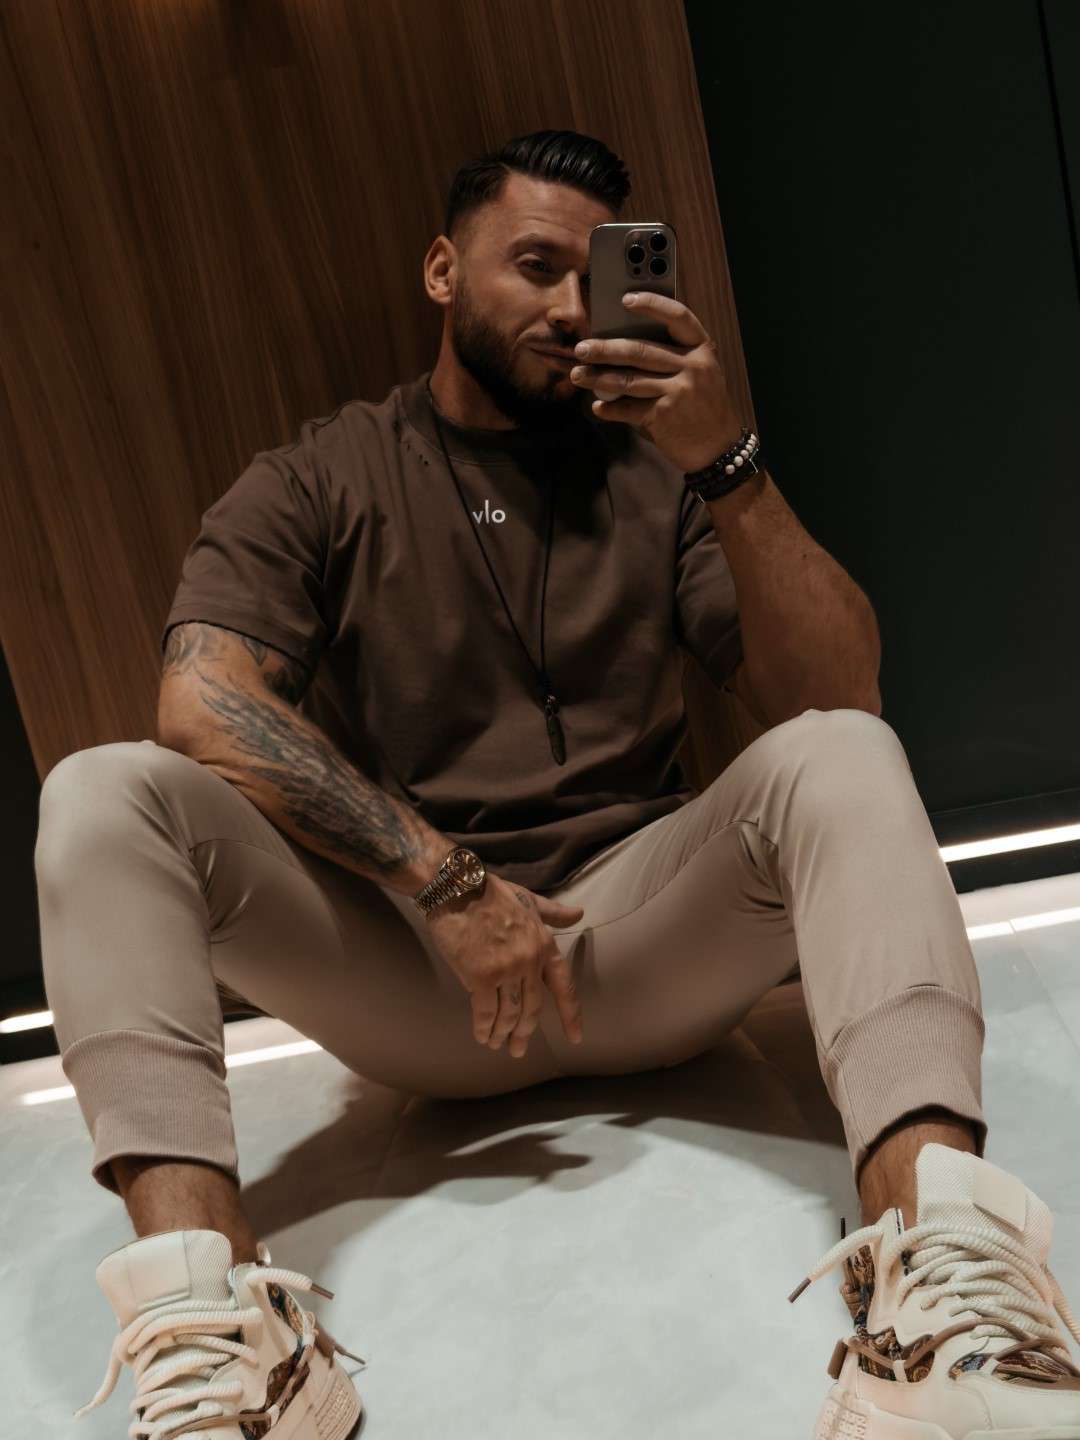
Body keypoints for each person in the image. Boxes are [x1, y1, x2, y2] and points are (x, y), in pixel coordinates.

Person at [36, 129, 1080, 1438]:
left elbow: (838, 696)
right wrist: (443, 879)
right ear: (442, 271)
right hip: (427, 978)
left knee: (845, 753)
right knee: (101, 794)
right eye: (534, 266)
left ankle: (946, 1311)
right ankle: (226, 1345)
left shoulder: (660, 475)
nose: (568, 306)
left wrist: (726, 461)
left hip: (640, 941)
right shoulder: (319, 478)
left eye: (595, 276)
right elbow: (202, 703)